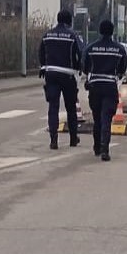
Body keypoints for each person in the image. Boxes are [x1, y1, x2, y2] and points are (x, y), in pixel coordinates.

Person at [39, 9, 84, 149]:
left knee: (53, 107)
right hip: (68, 74)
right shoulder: (73, 35)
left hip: (51, 73)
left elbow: (41, 52)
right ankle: (73, 139)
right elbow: (80, 52)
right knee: (71, 108)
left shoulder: (47, 35)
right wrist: (79, 68)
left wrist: (44, 66)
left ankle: (53, 140)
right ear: (69, 21)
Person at [82, 20, 127, 161]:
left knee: (97, 118)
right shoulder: (119, 49)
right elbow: (122, 69)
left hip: (95, 86)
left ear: (100, 30)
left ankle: (96, 147)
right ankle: (105, 150)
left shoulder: (91, 48)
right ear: (112, 31)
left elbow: (85, 67)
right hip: (110, 87)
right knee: (106, 118)